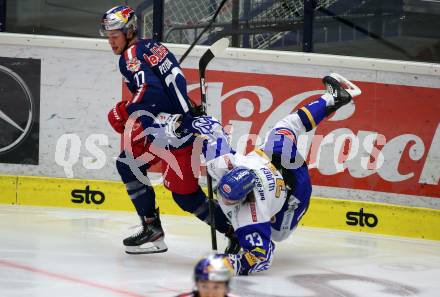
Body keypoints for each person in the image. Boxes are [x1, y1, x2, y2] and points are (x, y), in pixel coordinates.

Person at [164, 73, 361, 274]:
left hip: (295, 193)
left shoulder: (250, 214)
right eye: (223, 193)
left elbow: (261, 258)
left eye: (229, 200)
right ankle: (335, 98)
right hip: (275, 159)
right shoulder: (224, 164)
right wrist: (186, 123)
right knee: (286, 126)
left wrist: (231, 264)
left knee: (278, 235)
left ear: (244, 198)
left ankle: (252, 230)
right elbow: (210, 127)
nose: (223, 198)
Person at [100, 5, 238, 254]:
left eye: (115, 36)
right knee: (129, 164)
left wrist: (125, 110)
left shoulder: (130, 57)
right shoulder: (153, 46)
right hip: (170, 123)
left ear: (129, 31)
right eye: (108, 36)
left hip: (172, 129)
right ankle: (152, 228)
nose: (111, 42)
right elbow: (168, 86)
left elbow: (149, 94)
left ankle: (236, 231)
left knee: (186, 197)